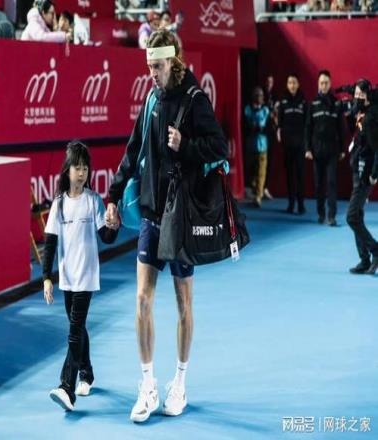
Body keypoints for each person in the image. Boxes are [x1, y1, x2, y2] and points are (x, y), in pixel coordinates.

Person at [105, 29, 228, 423]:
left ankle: (180, 382)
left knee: (183, 305)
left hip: (182, 220)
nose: (152, 74)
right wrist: (113, 194)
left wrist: (185, 145)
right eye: (148, 67)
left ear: (173, 61)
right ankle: (147, 385)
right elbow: (133, 149)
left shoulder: (194, 99)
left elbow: (220, 147)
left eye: (157, 66)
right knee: (142, 300)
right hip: (151, 214)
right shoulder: (151, 99)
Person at [43, 141, 119, 411]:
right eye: (77, 168)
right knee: (79, 327)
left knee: (74, 330)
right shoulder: (59, 204)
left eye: (85, 169)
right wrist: (47, 277)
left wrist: (114, 226)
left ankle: (67, 387)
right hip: (67, 278)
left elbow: (106, 236)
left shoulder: (93, 200)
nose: (82, 173)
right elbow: (50, 243)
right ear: (68, 170)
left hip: (87, 277)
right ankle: (87, 373)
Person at [305, 70, 345, 226]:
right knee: (319, 184)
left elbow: (341, 128)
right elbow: (308, 128)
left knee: (331, 182)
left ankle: (331, 216)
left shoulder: (336, 104)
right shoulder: (313, 104)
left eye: (326, 83)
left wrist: (342, 149)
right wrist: (308, 149)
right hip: (316, 150)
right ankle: (321, 213)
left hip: (332, 150)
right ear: (318, 84)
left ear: (330, 84)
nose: (324, 85)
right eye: (321, 83)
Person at [346, 79, 378, 274]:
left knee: (351, 216)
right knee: (357, 214)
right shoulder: (361, 112)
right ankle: (364, 259)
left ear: (367, 96)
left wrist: (374, 173)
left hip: (366, 173)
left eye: (360, 95)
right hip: (357, 169)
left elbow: (377, 147)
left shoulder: (371, 117)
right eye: (355, 94)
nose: (356, 97)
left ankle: (375, 250)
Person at [277, 74, 307, 214]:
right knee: (290, 175)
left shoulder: (303, 101)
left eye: (294, 82)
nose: (292, 85)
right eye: (290, 83)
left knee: (300, 175)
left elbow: (307, 123)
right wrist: (280, 134)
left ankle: (301, 204)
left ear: (298, 84)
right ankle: (291, 203)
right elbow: (280, 123)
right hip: (288, 144)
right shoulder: (283, 101)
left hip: (300, 144)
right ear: (287, 85)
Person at [244, 87, 270, 207]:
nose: (260, 97)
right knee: (251, 172)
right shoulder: (248, 110)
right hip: (250, 145)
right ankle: (255, 190)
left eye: (261, 95)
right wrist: (252, 127)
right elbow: (245, 125)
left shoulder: (266, 110)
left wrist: (263, 129)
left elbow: (269, 127)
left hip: (262, 146)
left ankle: (258, 196)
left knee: (261, 172)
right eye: (257, 95)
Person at [263, 74, 277, 201]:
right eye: (267, 81)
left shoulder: (274, 97)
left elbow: (277, 115)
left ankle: (265, 187)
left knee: (270, 160)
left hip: (271, 133)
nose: (269, 84)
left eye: (271, 81)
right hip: (261, 134)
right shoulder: (260, 95)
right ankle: (258, 187)